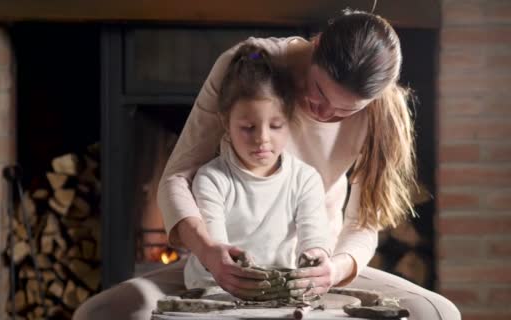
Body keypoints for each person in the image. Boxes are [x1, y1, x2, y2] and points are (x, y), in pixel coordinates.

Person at [73, 10, 461, 320]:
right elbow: (176, 176)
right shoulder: (249, 66)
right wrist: (210, 254)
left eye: (345, 111)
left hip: (313, 275)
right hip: (226, 268)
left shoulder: (379, 112)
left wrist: (334, 268)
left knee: (438, 312)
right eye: (319, 92)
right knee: (99, 312)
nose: (323, 113)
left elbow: (364, 223)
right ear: (317, 45)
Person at [184, 43, 332, 292]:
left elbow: (313, 234)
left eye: (275, 126)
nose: (262, 138)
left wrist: (316, 254)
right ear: (225, 121)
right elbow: (216, 246)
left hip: (277, 289)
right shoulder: (212, 179)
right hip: (215, 287)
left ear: (289, 121)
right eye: (248, 127)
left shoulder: (305, 179)